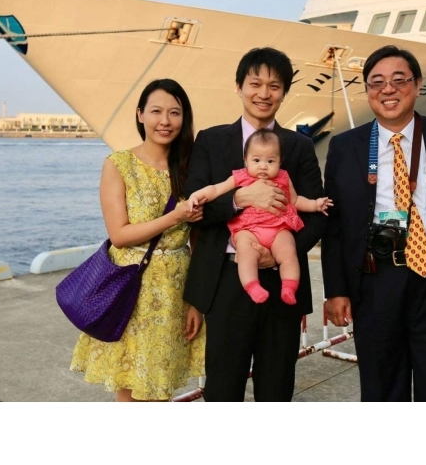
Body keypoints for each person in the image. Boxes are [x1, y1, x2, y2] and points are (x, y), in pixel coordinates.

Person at [321, 45, 426, 401]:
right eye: (377, 82)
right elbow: (335, 224)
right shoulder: (345, 146)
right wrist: (336, 290)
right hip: (375, 278)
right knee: (381, 386)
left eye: (398, 80)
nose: (387, 89)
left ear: (417, 85)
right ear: (367, 90)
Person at [183, 46, 327, 402]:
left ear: (284, 92)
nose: (264, 93)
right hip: (225, 281)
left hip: (282, 283)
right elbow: (194, 208)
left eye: (274, 86)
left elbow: (316, 216)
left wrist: (279, 254)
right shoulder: (211, 140)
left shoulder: (299, 146)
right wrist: (239, 199)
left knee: (276, 388)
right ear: (239, 87)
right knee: (222, 388)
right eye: (255, 83)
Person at [70, 79, 205, 401]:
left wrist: (197, 302)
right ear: (140, 114)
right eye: (156, 111)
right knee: (130, 389)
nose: (165, 121)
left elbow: (199, 242)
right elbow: (119, 235)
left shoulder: (192, 168)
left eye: (174, 112)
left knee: (160, 388)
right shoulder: (119, 164)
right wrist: (176, 217)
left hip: (175, 290)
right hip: (131, 287)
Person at [186, 128, 333, 305]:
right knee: (246, 253)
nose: (263, 166)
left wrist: (315, 204)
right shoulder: (240, 176)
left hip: (278, 228)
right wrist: (197, 195)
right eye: (256, 160)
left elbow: (295, 200)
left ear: (280, 161)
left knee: (288, 251)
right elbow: (216, 189)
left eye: (270, 161)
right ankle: (252, 286)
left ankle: (289, 287)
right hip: (247, 229)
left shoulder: (284, 177)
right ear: (246, 160)